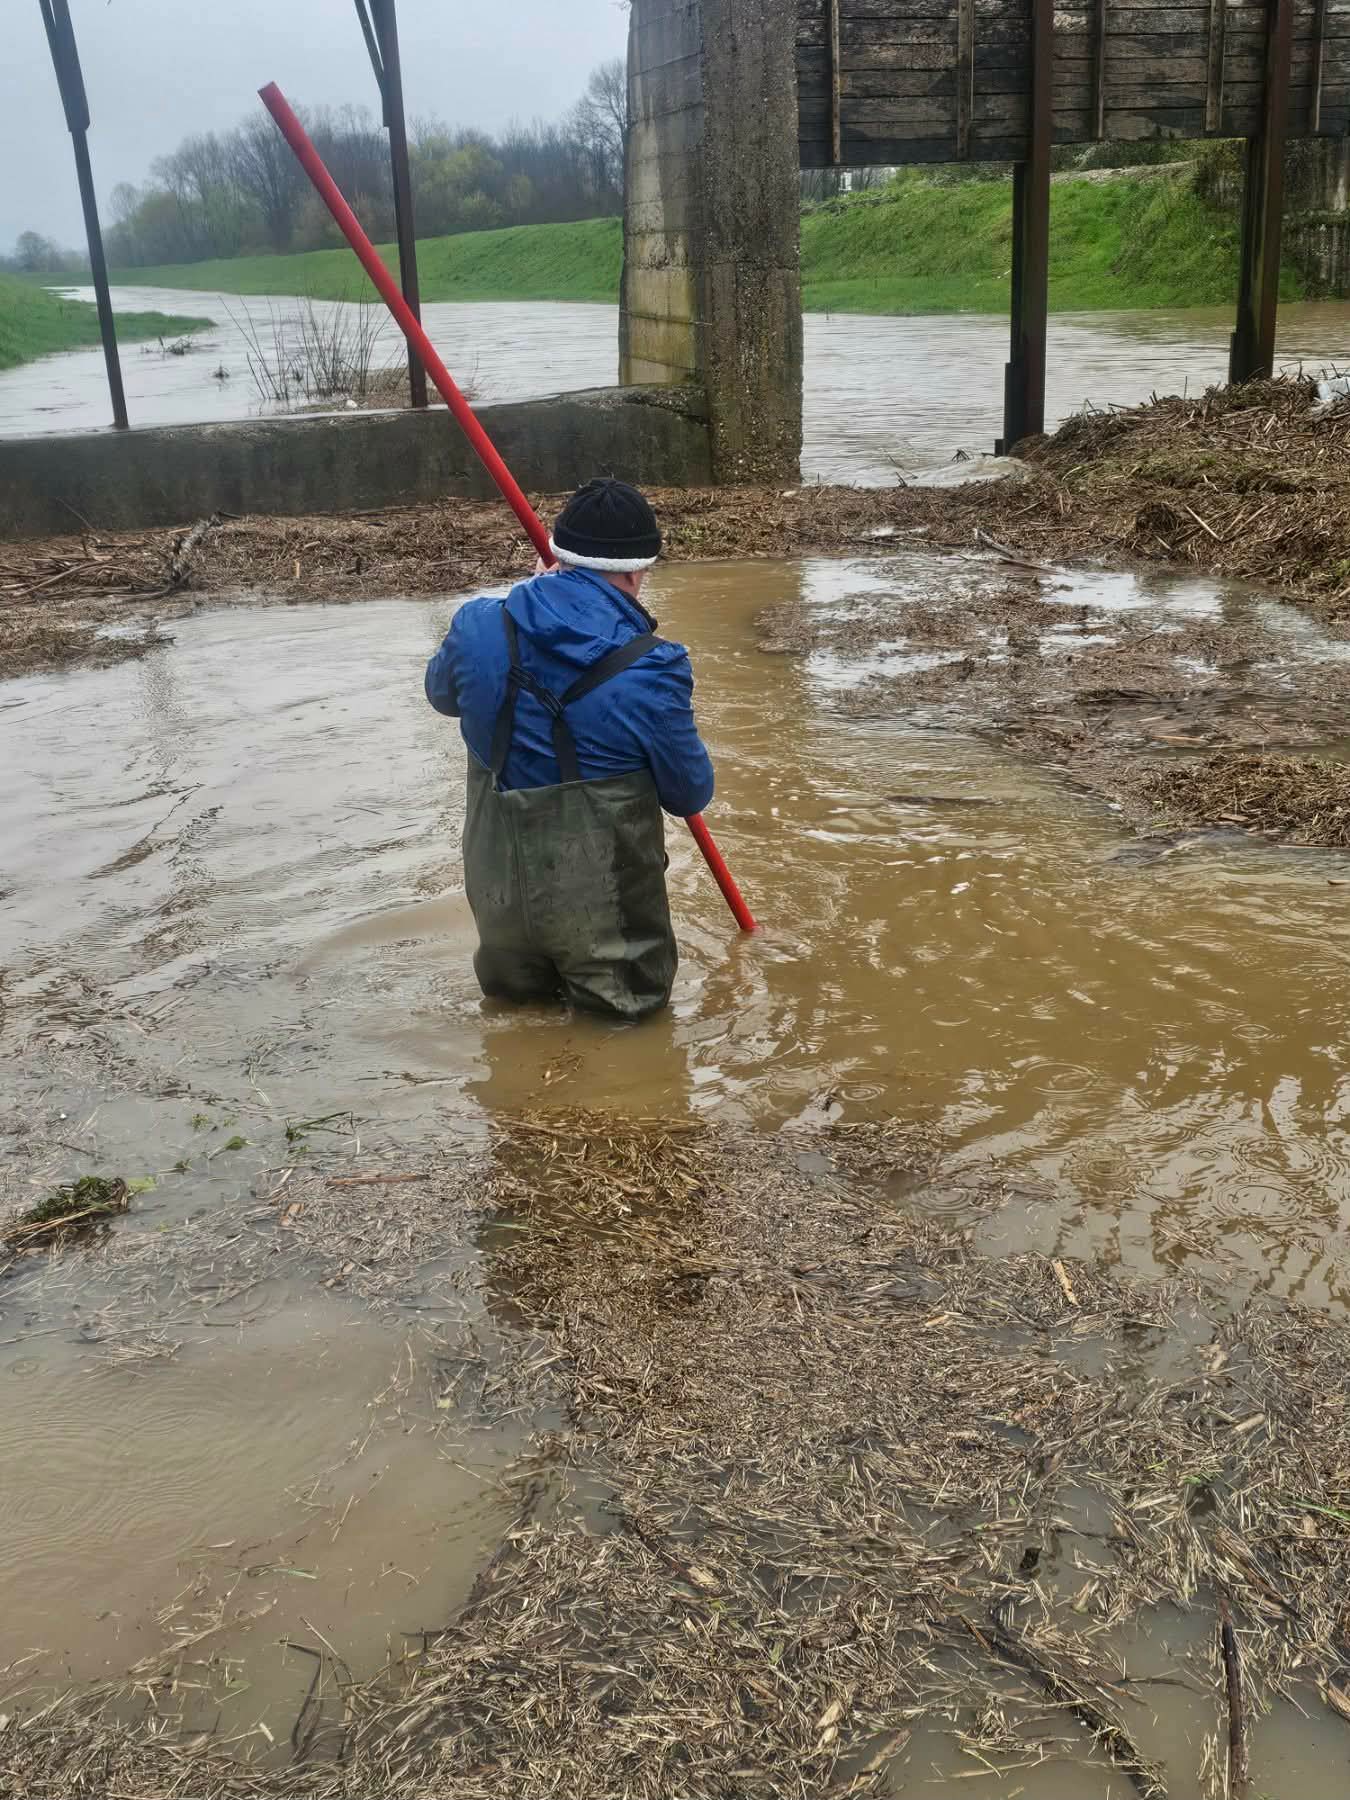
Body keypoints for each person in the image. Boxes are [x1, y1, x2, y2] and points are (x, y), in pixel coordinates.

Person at [424, 478, 714, 1021]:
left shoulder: (477, 624)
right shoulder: (655, 667)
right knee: (628, 1044)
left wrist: (527, 598)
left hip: (500, 900)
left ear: (558, 554)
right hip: (608, 919)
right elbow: (689, 793)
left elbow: (442, 696)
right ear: (637, 571)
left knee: (512, 1022)